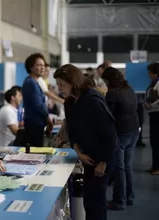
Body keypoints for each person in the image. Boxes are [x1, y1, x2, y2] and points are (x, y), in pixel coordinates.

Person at [54, 64, 118, 220]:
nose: (59, 88)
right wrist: (78, 152)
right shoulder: (70, 103)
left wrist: (103, 162)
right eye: (58, 85)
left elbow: (110, 135)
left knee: (95, 201)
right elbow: (73, 132)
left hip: (104, 157)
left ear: (73, 82)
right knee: (89, 199)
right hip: (87, 156)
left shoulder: (93, 100)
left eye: (62, 84)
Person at [102, 67, 139, 209]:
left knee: (119, 168)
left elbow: (107, 115)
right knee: (128, 166)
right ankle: (130, 197)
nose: (105, 83)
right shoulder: (129, 89)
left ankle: (119, 201)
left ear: (109, 80)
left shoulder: (112, 93)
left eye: (105, 81)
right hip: (134, 131)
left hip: (121, 132)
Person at [22, 53, 53, 147]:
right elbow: (38, 105)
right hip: (34, 125)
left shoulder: (33, 82)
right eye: (39, 65)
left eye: (43, 65)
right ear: (31, 67)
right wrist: (48, 120)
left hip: (35, 123)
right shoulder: (31, 83)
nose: (42, 68)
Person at [144, 62, 159, 175]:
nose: (148, 74)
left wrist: (151, 105)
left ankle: (157, 167)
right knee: (154, 141)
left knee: (157, 141)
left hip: (157, 114)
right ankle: (155, 166)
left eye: (150, 72)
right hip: (153, 114)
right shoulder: (154, 83)